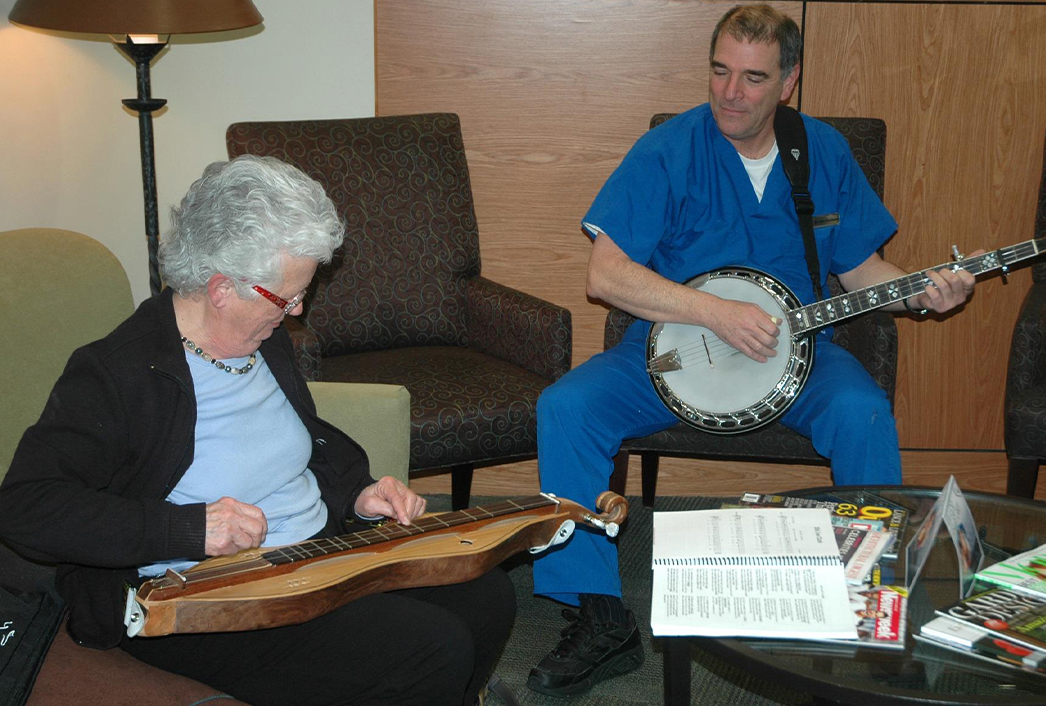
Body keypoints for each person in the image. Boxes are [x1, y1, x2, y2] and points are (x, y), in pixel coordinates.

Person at [526, 4, 978, 696]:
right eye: (719, 71)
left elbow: (862, 272)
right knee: (567, 407)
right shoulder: (668, 150)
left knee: (861, 414)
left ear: (787, 82)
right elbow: (606, 275)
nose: (730, 93)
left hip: (800, 357)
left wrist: (922, 293)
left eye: (752, 77)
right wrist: (711, 312)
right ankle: (598, 615)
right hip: (674, 355)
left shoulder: (821, 152)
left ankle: (870, 609)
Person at [0, 155, 515, 706]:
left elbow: (301, 440)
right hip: (200, 598)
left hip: (313, 554)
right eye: (286, 296)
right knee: (430, 647)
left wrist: (357, 494)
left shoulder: (262, 339)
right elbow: (27, 506)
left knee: (485, 594)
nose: (296, 312)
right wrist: (188, 528)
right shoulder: (117, 373)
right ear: (222, 287)